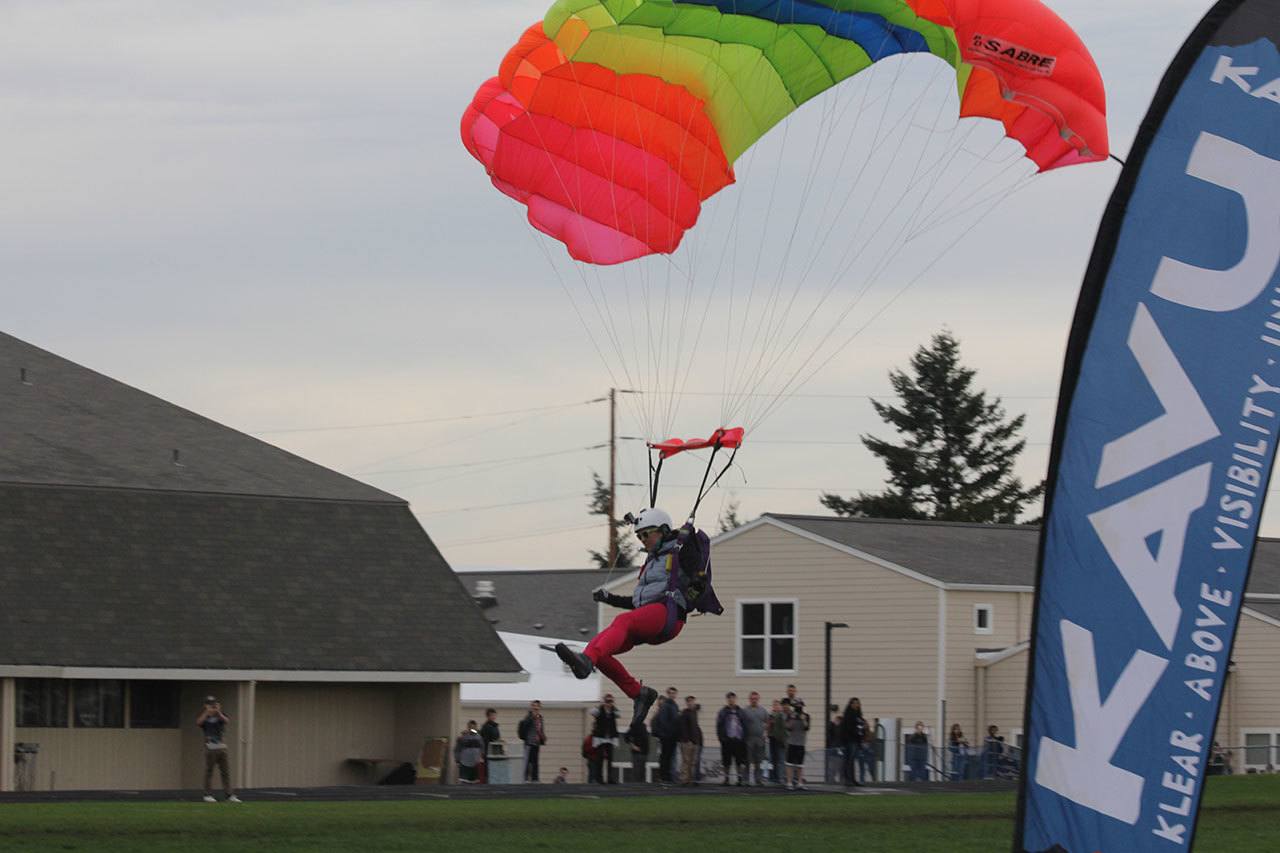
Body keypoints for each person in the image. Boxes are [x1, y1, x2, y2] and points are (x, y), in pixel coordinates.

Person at [555, 508, 720, 730]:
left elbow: (695, 579)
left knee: (622, 622)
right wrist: (609, 598)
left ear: (662, 531)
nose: (643, 540)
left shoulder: (680, 551)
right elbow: (637, 604)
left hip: (668, 614)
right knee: (597, 651)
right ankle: (638, 693)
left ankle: (586, 663)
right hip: (649, 617)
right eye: (639, 536)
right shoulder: (651, 561)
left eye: (646, 534)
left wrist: (696, 583)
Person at [196, 696, 241, 803]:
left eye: (214, 704)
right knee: (209, 771)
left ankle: (229, 794)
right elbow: (198, 723)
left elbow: (226, 721)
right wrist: (207, 712)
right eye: (210, 704)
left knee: (225, 771)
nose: (212, 706)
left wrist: (218, 712)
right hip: (210, 747)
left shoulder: (220, 715)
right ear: (205, 705)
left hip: (222, 746)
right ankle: (207, 794)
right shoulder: (205, 717)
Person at [715, 692, 748, 785]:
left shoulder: (741, 711)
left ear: (735, 699)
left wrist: (744, 738)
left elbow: (745, 725)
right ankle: (726, 779)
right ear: (727, 699)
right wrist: (721, 738)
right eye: (729, 698)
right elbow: (718, 725)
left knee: (739, 761)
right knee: (726, 761)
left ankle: (740, 779)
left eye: (733, 698)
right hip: (727, 739)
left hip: (738, 739)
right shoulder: (723, 711)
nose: (731, 700)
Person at [589, 694, 622, 784]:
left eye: (611, 701)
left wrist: (613, 707)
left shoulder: (613, 711)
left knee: (610, 758)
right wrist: (601, 705)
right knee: (599, 759)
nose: (609, 703)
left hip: (610, 737)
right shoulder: (599, 710)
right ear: (604, 702)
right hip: (600, 737)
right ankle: (599, 778)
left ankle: (610, 778)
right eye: (607, 701)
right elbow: (592, 712)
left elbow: (619, 714)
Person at [651, 686, 681, 783]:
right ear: (668, 694)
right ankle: (664, 776)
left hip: (673, 736)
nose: (673, 695)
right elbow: (663, 721)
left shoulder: (675, 706)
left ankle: (668, 776)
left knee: (670, 756)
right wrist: (668, 733)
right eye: (671, 693)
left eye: (674, 693)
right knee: (665, 756)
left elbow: (676, 721)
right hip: (666, 736)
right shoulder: (666, 705)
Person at [741, 691, 769, 786]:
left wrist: (766, 733)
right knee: (748, 761)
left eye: (755, 699)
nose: (754, 700)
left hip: (760, 739)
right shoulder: (745, 711)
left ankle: (759, 779)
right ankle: (746, 780)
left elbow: (768, 722)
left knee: (759, 761)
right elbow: (741, 724)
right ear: (749, 699)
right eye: (752, 699)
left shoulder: (763, 710)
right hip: (748, 739)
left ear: (758, 699)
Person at [517, 699, 547, 782]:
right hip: (529, 743)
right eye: (534, 706)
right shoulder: (528, 717)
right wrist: (532, 717)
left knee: (535, 762)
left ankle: (535, 778)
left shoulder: (540, 718)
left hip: (536, 742)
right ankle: (525, 778)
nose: (536, 708)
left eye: (537, 706)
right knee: (527, 762)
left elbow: (540, 729)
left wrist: (543, 737)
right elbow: (525, 726)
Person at [785, 699, 810, 790]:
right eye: (797, 706)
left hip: (801, 743)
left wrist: (803, 719)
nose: (799, 708)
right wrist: (792, 718)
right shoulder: (790, 716)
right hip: (792, 742)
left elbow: (806, 728)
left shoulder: (806, 716)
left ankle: (800, 782)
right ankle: (789, 782)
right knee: (789, 764)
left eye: (800, 706)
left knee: (800, 765)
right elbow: (788, 727)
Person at [678, 695, 702, 786]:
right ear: (687, 703)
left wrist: (697, 740)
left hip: (695, 741)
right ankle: (684, 780)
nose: (691, 703)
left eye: (692, 701)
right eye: (689, 701)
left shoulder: (694, 713)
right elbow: (683, 728)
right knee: (686, 761)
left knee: (693, 762)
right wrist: (687, 740)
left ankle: (690, 779)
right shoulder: (685, 713)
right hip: (687, 742)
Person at [768, 699, 788, 784]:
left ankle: (781, 777)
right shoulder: (771, 715)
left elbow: (784, 729)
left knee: (781, 759)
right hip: (772, 739)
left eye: (777, 705)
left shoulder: (782, 715)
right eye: (774, 705)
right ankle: (772, 777)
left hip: (780, 740)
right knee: (772, 759)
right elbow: (768, 727)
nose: (776, 706)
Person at [479, 708, 501, 784]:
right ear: (488, 716)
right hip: (488, 751)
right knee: (488, 770)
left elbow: (497, 737)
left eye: (494, 715)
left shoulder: (495, 726)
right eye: (492, 715)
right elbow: (484, 740)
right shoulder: (486, 727)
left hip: (496, 751)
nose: (493, 717)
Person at [625, 716, 650, 783]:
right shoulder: (634, 726)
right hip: (637, 752)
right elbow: (626, 737)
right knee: (636, 770)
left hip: (644, 751)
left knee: (641, 770)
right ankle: (636, 785)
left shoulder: (643, 726)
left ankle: (641, 785)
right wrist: (633, 745)